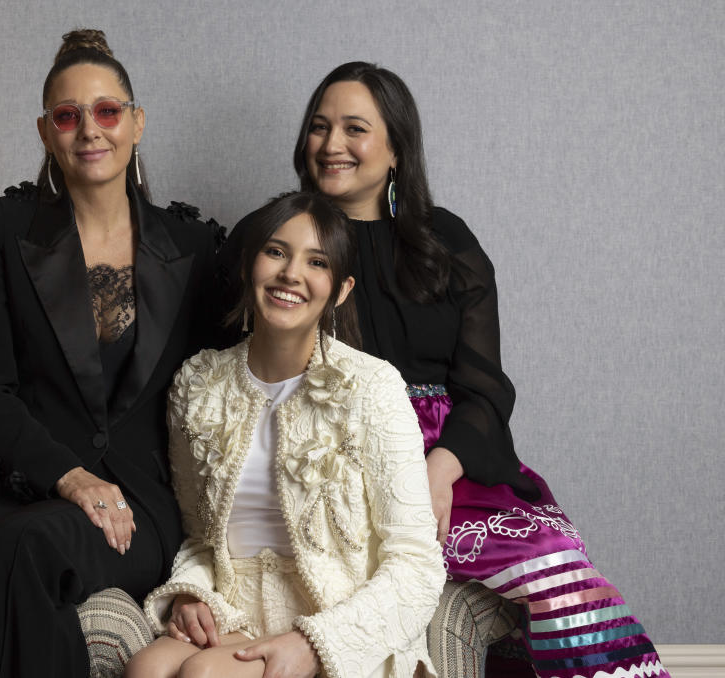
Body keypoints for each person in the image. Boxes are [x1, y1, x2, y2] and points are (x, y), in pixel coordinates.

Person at [221, 62, 668, 678]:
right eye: (319, 127)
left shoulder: (445, 242)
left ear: (397, 147)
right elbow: (227, 378)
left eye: (355, 128)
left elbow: (486, 390)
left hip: (446, 456)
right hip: (326, 457)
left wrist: (441, 469)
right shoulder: (270, 239)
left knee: (559, 570)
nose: (331, 144)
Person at [0, 29, 220, 678]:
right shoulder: (5, 232)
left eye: (108, 111)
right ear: (45, 131)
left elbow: (229, 400)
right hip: (13, 488)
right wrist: (68, 475)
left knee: (25, 550)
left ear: (137, 123)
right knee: (27, 575)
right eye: (68, 115)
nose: (90, 130)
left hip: (134, 513)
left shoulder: (196, 250)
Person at [125, 192, 446, 678]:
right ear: (249, 265)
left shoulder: (371, 387)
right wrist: (192, 593)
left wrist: (314, 644)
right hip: (238, 617)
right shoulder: (198, 384)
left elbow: (417, 567)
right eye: (275, 252)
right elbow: (200, 538)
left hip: (339, 629)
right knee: (146, 670)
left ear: (340, 289)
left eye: (316, 262)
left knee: (203, 676)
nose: (290, 273)